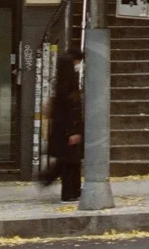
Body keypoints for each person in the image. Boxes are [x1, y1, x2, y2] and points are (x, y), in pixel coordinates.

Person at [41, 53, 84, 200]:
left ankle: (72, 190)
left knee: (71, 162)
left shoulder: (61, 85)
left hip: (62, 131)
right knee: (69, 162)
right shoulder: (67, 87)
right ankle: (68, 191)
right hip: (68, 131)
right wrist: (73, 131)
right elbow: (69, 111)